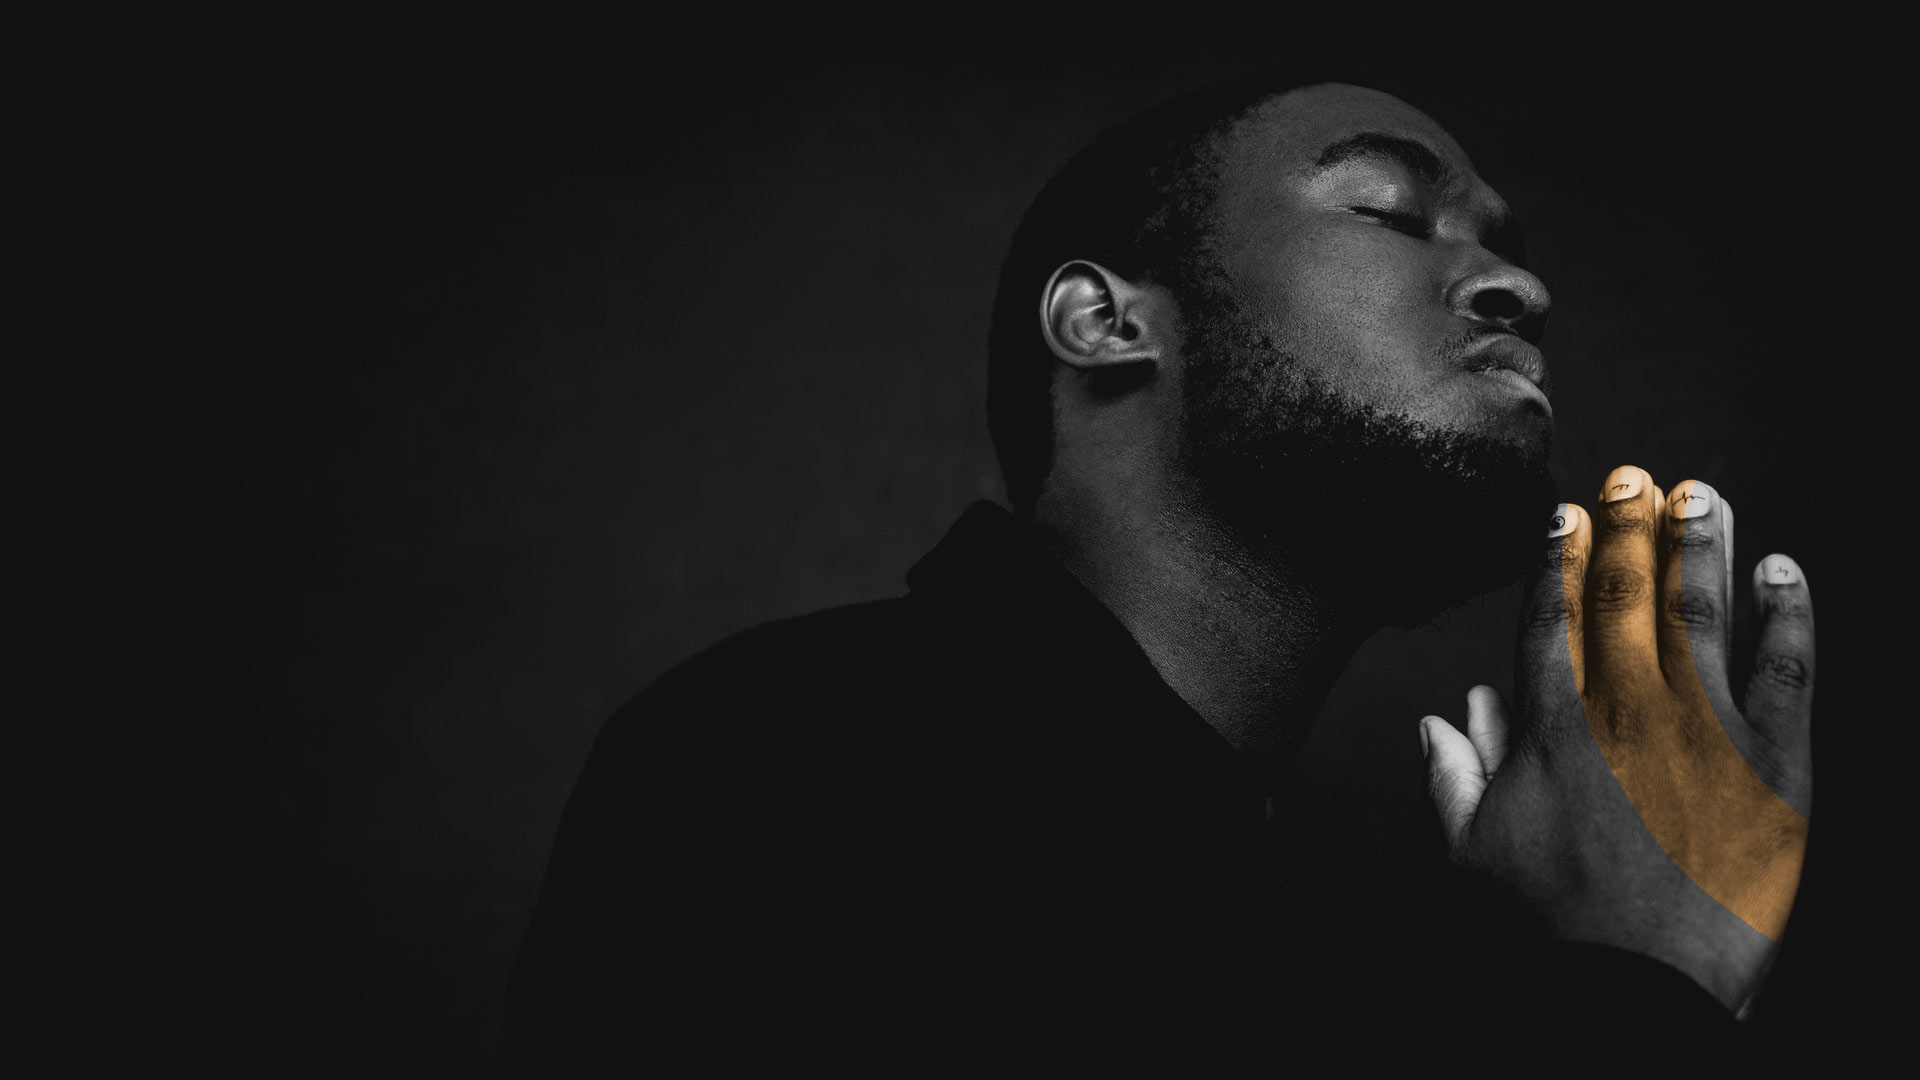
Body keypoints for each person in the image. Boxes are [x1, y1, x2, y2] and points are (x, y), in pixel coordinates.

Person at [502, 70, 1815, 1068]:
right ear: (1105, 320)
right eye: (1389, 210)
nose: (1516, 285)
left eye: (1505, 240)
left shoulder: (1343, 928)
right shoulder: (781, 756)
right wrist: (1645, 984)